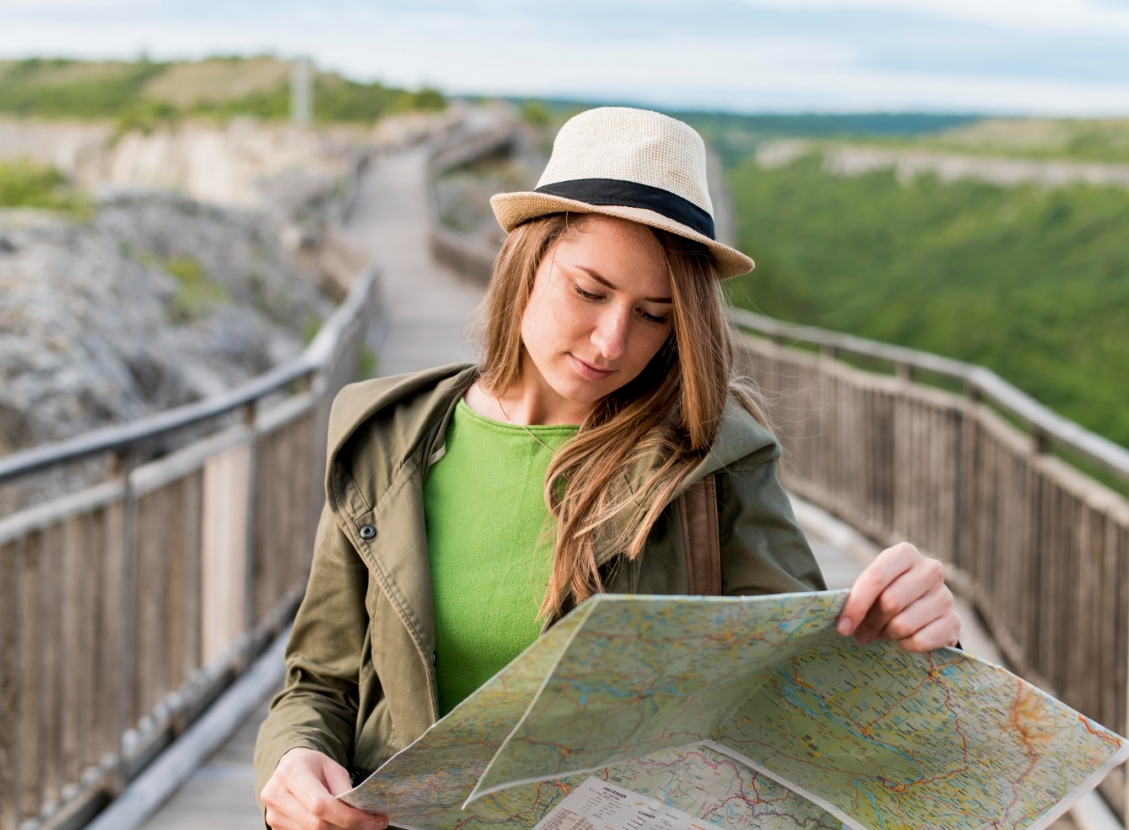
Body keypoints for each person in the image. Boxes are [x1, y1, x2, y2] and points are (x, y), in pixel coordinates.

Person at [254, 107, 960, 830]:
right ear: (524, 262)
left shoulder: (713, 461)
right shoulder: (387, 436)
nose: (612, 340)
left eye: (654, 315)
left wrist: (902, 639)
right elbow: (320, 683)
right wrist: (292, 762)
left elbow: (796, 694)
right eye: (589, 292)